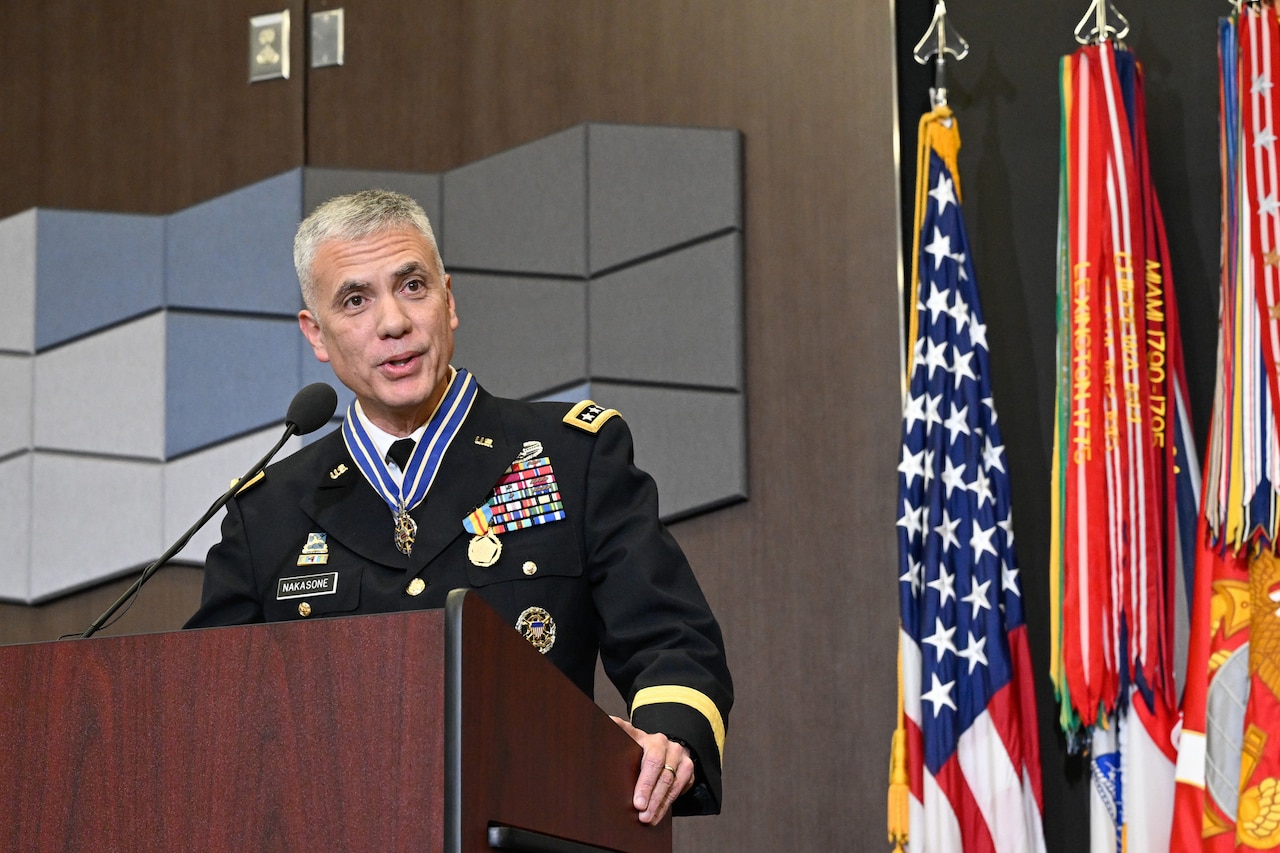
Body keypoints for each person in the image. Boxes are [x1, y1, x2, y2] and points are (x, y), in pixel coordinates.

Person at [185, 189, 732, 823]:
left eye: (412, 286)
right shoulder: (267, 513)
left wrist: (670, 739)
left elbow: (673, 639)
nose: (393, 322)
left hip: (529, 823)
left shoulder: (572, 455)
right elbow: (210, 715)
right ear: (317, 334)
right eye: (356, 301)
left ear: (449, 301)